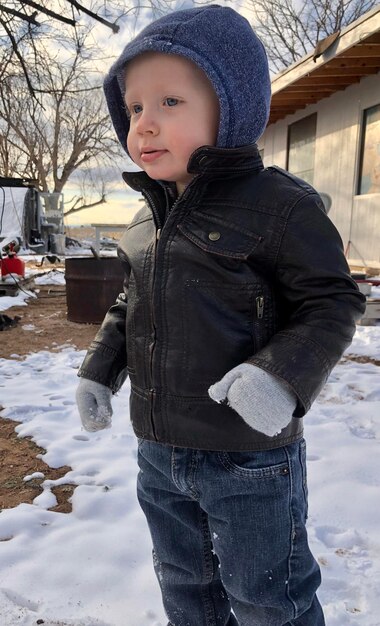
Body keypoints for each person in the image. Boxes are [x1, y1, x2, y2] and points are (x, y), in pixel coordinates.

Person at [76, 6, 366, 625]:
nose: (144, 124)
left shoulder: (279, 205)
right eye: (133, 108)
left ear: (229, 107)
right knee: (186, 591)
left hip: (249, 458)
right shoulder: (143, 218)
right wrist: (99, 371)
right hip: (158, 451)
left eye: (170, 102)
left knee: (269, 599)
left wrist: (280, 377)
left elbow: (333, 299)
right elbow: (132, 304)